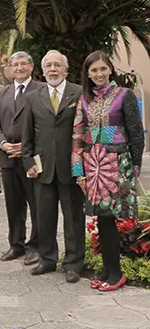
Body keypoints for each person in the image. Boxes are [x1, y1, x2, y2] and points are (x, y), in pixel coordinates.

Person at [72, 51, 144, 291]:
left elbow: (135, 132)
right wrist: (77, 170)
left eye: (103, 69)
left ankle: (116, 274)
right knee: (102, 218)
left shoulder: (125, 95)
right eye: (94, 70)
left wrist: (134, 168)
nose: (99, 74)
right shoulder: (84, 99)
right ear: (88, 74)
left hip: (117, 162)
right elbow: (78, 135)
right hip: (93, 165)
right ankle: (108, 269)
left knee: (110, 218)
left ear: (110, 69)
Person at [21, 50, 84, 282]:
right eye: (49, 66)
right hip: (42, 169)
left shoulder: (78, 93)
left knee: (73, 219)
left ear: (66, 70)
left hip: (72, 168)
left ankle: (74, 264)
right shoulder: (33, 97)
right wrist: (28, 162)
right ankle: (47, 260)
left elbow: (84, 131)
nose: (53, 69)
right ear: (43, 70)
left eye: (58, 65)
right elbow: (27, 134)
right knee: (44, 217)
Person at [0, 51, 43, 265]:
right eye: (15, 64)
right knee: (13, 204)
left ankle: (36, 246)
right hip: (7, 157)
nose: (19, 68)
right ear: (10, 69)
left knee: (36, 204)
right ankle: (16, 245)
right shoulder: (2, 93)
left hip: (31, 159)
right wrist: (3, 144)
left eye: (23, 64)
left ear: (31, 66)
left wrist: (27, 147)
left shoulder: (40, 90)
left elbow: (44, 124)